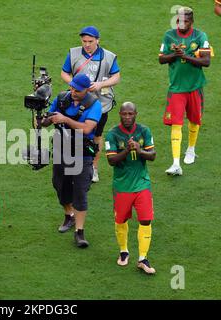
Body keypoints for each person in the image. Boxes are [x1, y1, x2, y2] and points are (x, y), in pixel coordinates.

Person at [42, 73, 102, 247]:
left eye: (78, 90)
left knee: (80, 191)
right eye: (72, 88)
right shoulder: (61, 98)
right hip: (62, 149)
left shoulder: (94, 105)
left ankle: (79, 232)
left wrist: (64, 119)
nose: (73, 91)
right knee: (60, 184)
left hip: (83, 153)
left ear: (86, 90)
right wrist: (42, 118)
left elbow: (87, 128)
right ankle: (69, 215)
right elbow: (47, 120)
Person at [61, 25, 120, 183]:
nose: (86, 44)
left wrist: (101, 85)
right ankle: (74, 165)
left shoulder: (108, 56)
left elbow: (116, 77)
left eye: (90, 41)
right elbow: (64, 72)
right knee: (75, 132)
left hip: (101, 103)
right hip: (76, 102)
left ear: (97, 40)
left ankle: (93, 167)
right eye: (84, 41)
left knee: (96, 136)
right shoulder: (73, 53)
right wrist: (74, 84)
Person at [105, 102, 156, 274]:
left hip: (142, 183)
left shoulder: (144, 131)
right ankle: (124, 251)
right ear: (119, 114)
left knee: (146, 220)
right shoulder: (112, 134)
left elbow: (153, 156)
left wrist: (140, 151)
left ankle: (143, 258)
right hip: (122, 186)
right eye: (124, 114)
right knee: (121, 220)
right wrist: (127, 151)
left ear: (136, 114)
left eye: (130, 114)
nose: (127, 117)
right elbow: (111, 161)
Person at [159, 7, 211, 176]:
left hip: (195, 87)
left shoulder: (200, 36)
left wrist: (184, 56)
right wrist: (174, 55)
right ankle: (175, 163)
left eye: (185, 21)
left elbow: (206, 61)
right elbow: (161, 59)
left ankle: (191, 149)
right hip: (176, 88)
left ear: (191, 22)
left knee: (194, 120)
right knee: (176, 123)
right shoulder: (169, 36)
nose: (181, 24)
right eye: (179, 21)